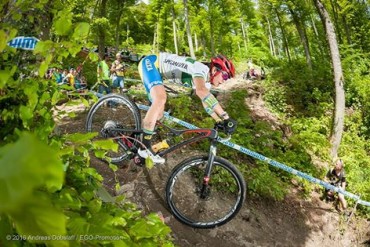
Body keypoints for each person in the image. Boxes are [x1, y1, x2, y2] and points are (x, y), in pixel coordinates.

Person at [137, 52, 237, 164]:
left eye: (227, 78)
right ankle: (143, 148)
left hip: (157, 73)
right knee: (160, 99)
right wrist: (225, 116)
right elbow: (201, 92)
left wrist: (218, 120)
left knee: (159, 115)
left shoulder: (205, 82)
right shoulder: (201, 69)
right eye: (224, 76)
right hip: (151, 63)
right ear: (214, 70)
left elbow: (206, 103)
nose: (224, 80)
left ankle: (136, 142)